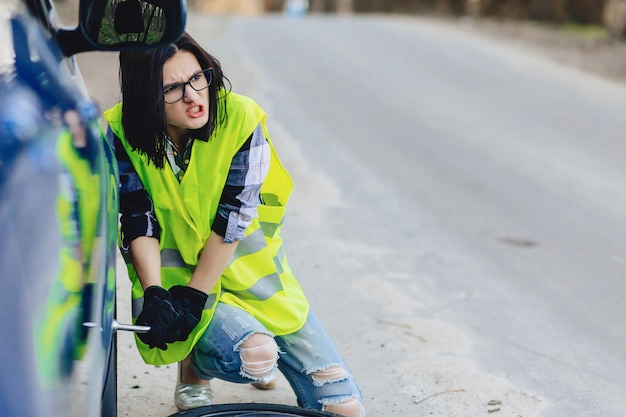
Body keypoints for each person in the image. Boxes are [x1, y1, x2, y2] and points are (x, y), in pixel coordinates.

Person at [103, 33, 364, 417]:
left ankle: (221, 346)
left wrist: (194, 301)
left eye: (197, 78)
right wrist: (156, 292)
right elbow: (137, 218)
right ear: (147, 97)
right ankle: (196, 367)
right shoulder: (123, 131)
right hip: (178, 282)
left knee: (345, 409)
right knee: (256, 355)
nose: (194, 96)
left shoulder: (240, 118)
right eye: (172, 89)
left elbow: (233, 220)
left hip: (252, 278)